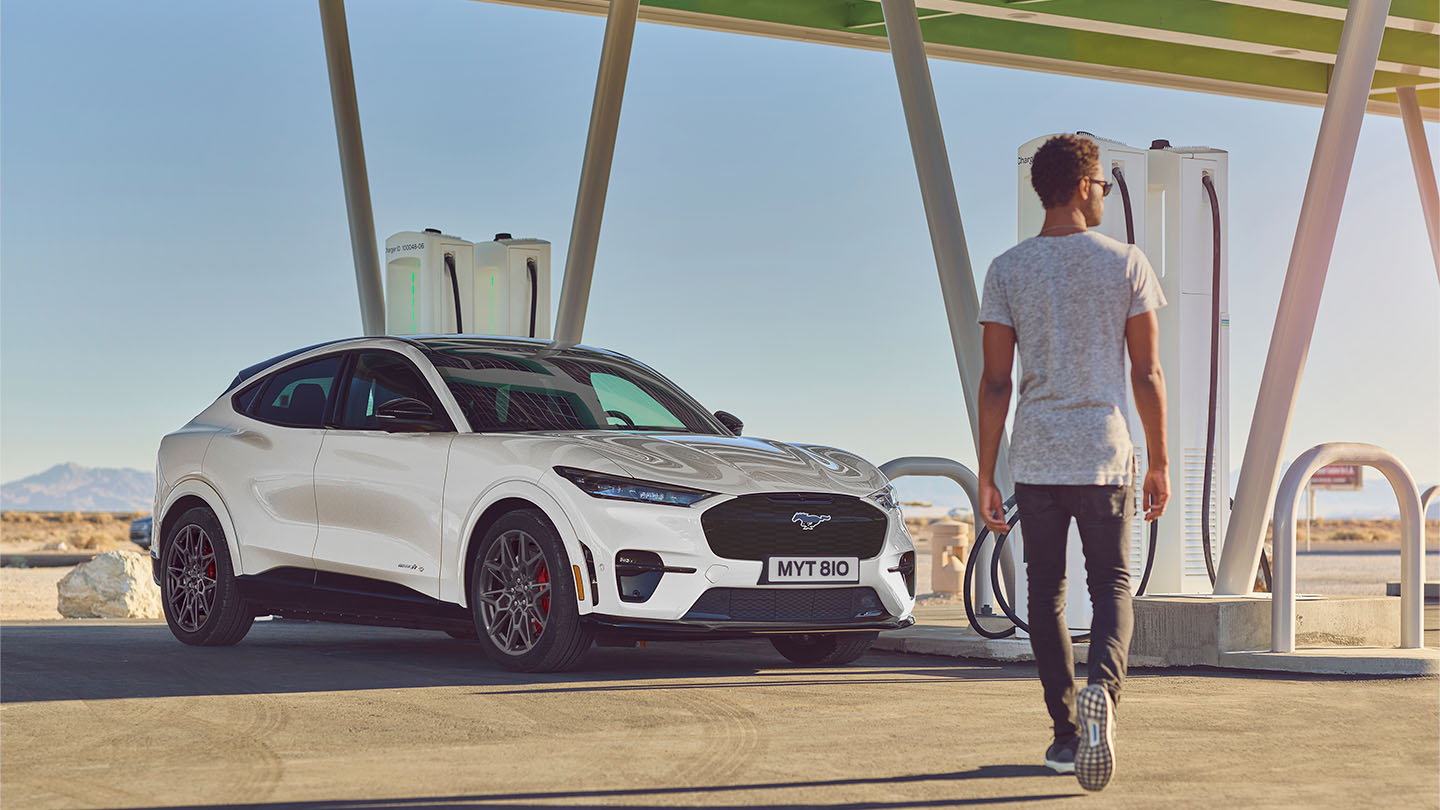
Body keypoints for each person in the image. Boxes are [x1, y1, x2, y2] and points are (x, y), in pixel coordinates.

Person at [975, 134, 1170, 792]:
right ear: (1085, 186)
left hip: (1036, 454)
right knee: (1113, 584)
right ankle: (1103, 702)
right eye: (1105, 187)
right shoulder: (1126, 263)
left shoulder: (1007, 268)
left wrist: (985, 474)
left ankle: (1065, 734)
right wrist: (1160, 460)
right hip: (1104, 451)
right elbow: (1146, 371)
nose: (1107, 197)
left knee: (1046, 593)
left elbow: (996, 382)